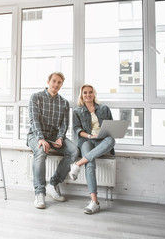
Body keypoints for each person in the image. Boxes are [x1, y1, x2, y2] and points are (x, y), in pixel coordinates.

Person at [27, 72, 80, 209]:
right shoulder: (36, 97)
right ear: (48, 81)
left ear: (62, 84)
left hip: (54, 137)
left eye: (59, 82)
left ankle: (53, 184)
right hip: (35, 134)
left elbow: (64, 124)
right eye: (54, 81)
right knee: (40, 151)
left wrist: (60, 137)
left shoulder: (64, 103)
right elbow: (34, 120)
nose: (56, 84)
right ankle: (39, 193)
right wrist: (40, 138)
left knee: (74, 151)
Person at [70, 84, 116, 214]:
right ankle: (94, 202)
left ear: (94, 94)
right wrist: (90, 135)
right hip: (86, 140)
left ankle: (77, 164)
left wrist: (101, 135)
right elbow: (77, 130)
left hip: (102, 141)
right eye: (85, 92)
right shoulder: (77, 112)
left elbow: (111, 127)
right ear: (82, 95)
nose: (88, 95)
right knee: (90, 163)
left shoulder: (104, 109)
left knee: (111, 140)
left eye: (90, 92)